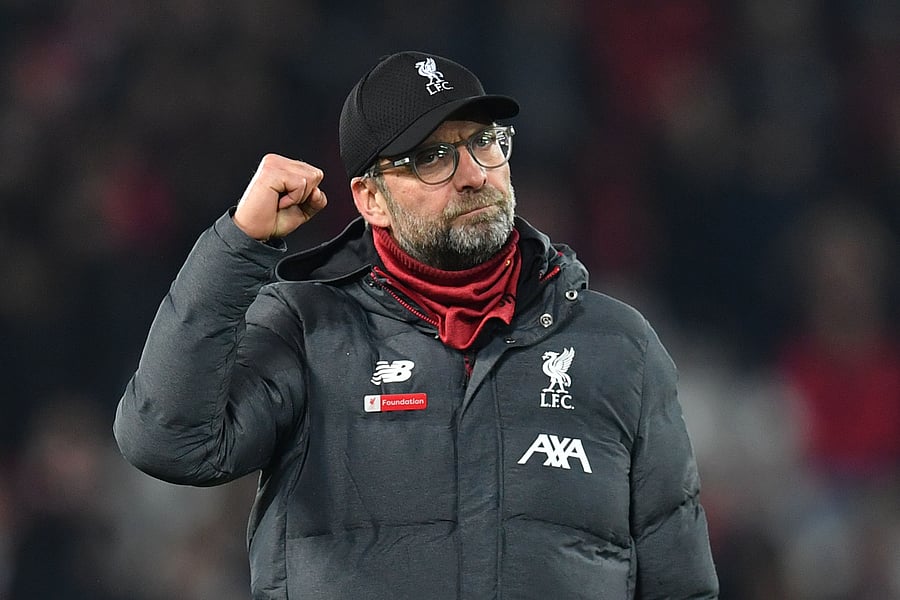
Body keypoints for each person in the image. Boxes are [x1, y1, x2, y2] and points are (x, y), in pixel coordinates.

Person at [114, 50, 718, 599]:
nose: (474, 173)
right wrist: (239, 245)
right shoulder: (307, 329)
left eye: (484, 142)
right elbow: (169, 441)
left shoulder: (618, 345)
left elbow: (681, 584)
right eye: (431, 157)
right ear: (371, 198)